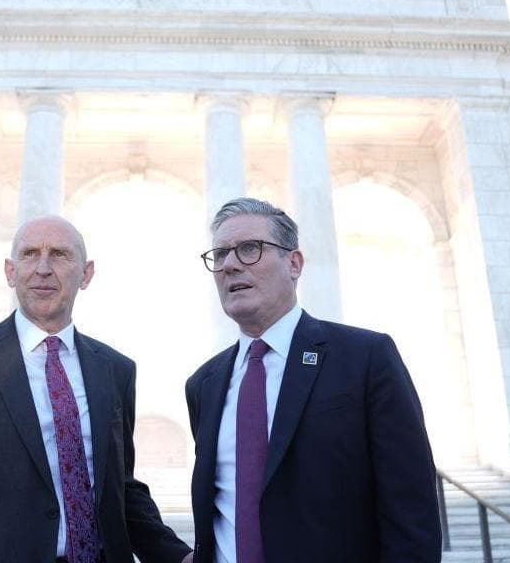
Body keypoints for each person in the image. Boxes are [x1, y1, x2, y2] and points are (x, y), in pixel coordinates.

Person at [0, 216, 193, 563]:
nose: (43, 268)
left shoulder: (115, 370)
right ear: (10, 271)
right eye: (30, 254)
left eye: (61, 254)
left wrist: (178, 556)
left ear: (86, 273)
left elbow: (119, 487)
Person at [186, 198, 441, 563]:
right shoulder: (203, 385)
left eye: (249, 249)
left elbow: (411, 513)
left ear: (294, 263)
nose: (229, 265)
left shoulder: (366, 357)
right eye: (220, 254)